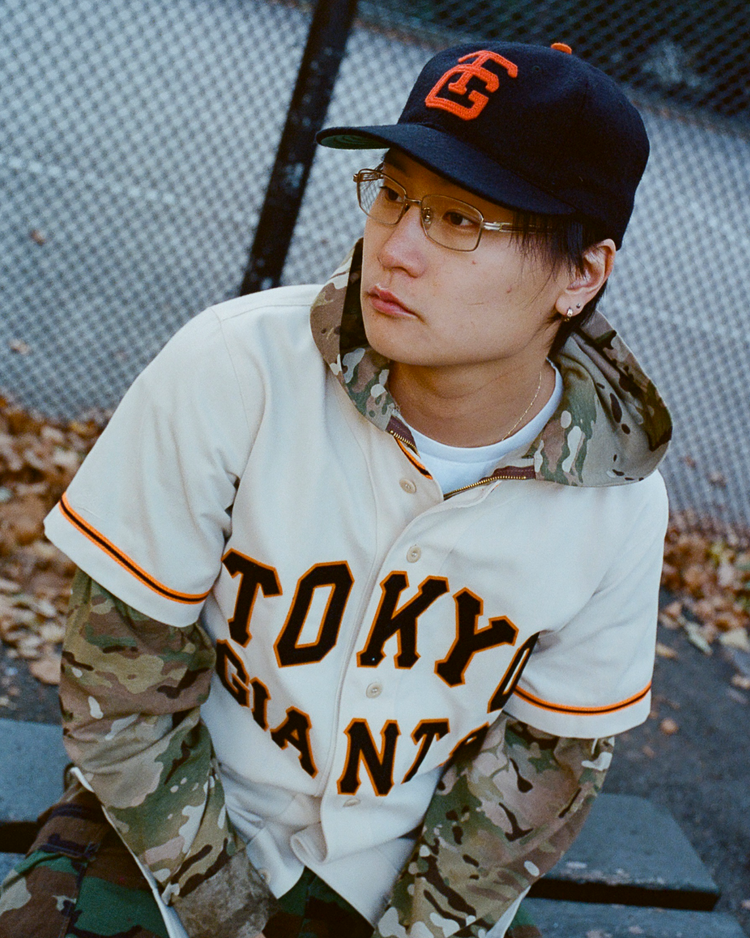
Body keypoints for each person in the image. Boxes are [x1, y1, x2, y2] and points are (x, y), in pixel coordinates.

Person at [0, 39, 671, 938]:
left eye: (460, 219)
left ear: (582, 274)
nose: (397, 249)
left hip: (398, 877)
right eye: (393, 194)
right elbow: (121, 686)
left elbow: (541, 775)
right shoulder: (235, 365)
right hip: (166, 829)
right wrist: (230, 917)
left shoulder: (619, 501)